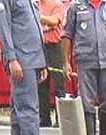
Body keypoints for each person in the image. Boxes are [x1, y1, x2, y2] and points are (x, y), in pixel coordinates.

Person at [62, 0, 106, 135]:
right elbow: (67, 35)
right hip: (85, 60)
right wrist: (66, 62)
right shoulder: (75, 6)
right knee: (86, 103)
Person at [0, 0, 48, 135]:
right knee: (27, 108)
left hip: (33, 58)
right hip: (22, 59)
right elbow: (3, 28)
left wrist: (42, 61)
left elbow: (34, 26)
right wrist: (11, 59)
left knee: (19, 106)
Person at [38, 0, 66, 128]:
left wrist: (39, 18)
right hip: (39, 46)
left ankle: (61, 119)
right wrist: (47, 24)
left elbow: (54, 21)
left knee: (59, 84)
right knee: (41, 84)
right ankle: (44, 119)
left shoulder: (58, 5)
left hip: (54, 47)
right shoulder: (36, 4)